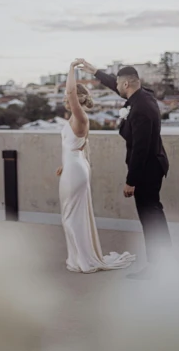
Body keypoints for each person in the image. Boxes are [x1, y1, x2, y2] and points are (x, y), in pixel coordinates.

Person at [76, 59, 171, 279]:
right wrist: (94, 71)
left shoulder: (140, 109)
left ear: (126, 85)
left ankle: (158, 268)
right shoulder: (143, 96)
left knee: (150, 217)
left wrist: (131, 181)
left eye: (119, 85)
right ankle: (165, 263)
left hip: (148, 169)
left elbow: (140, 149)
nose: (117, 88)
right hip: (153, 165)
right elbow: (115, 83)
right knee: (153, 214)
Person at [57, 60, 136, 273]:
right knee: (69, 215)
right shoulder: (73, 118)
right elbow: (75, 146)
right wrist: (64, 165)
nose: (65, 98)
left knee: (72, 217)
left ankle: (84, 259)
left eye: (67, 96)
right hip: (71, 167)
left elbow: (71, 91)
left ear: (76, 98)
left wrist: (72, 67)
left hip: (76, 170)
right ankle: (77, 257)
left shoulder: (80, 117)